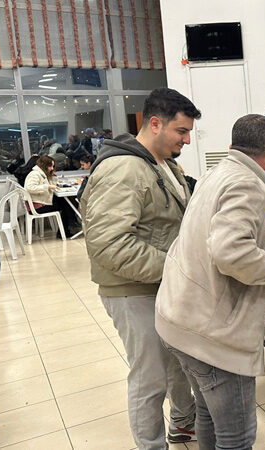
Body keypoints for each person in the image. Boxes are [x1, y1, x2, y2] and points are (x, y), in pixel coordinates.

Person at [156, 114, 265, 449]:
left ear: (234, 145)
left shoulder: (219, 171)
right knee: (236, 436)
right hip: (213, 338)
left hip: (178, 319)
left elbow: (255, 190)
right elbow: (231, 253)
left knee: (208, 414)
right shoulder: (247, 185)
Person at [80, 88, 202, 449]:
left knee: (175, 364)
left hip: (159, 285)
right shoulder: (123, 169)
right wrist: (177, 267)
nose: (187, 140)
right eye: (182, 131)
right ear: (155, 124)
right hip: (131, 290)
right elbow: (110, 245)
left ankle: (183, 423)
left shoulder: (163, 164)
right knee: (150, 377)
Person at [24, 155, 78, 237]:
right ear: (44, 165)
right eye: (50, 166)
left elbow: (51, 185)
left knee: (65, 201)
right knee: (66, 205)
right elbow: (30, 188)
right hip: (36, 206)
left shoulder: (42, 173)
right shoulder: (35, 174)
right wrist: (47, 187)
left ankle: (70, 223)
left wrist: (52, 177)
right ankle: (69, 226)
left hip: (40, 201)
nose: (52, 168)